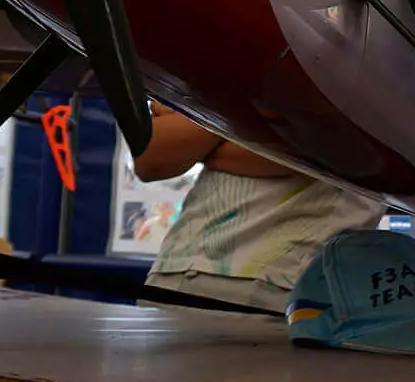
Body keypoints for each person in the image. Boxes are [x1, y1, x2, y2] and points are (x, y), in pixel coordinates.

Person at [131, 102, 385, 312]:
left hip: (280, 283)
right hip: (174, 271)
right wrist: (254, 106)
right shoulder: (228, 77)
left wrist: (207, 138)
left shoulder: (369, 77)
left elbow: (316, 152)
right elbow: (152, 158)